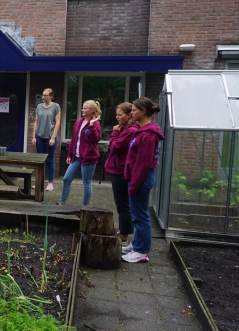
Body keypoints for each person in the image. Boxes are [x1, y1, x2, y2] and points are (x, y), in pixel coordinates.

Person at [122, 97, 164, 264]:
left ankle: (141, 251)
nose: (131, 113)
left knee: (140, 216)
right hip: (137, 178)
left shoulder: (147, 135)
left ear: (143, 111)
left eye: (134, 110)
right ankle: (137, 244)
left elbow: (142, 164)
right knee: (137, 214)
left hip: (141, 179)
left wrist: (133, 185)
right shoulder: (141, 131)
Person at [105, 102, 139, 245]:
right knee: (122, 204)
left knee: (122, 204)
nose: (117, 117)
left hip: (121, 170)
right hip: (119, 169)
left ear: (129, 115)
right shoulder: (126, 129)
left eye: (120, 114)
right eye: (116, 114)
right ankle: (123, 230)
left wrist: (114, 133)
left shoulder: (129, 131)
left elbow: (115, 146)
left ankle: (124, 235)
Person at [59, 100, 102, 206]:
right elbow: (73, 139)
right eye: (82, 108)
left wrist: (91, 126)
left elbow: (96, 139)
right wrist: (69, 154)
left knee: (86, 183)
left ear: (92, 110)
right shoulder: (78, 122)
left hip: (89, 158)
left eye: (85, 108)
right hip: (76, 157)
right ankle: (62, 203)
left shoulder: (95, 123)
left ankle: (85, 207)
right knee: (66, 179)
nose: (82, 110)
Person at [32, 88, 61, 191]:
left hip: (50, 137)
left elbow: (57, 122)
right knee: (40, 160)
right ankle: (39, 182)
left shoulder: (55, 106)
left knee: (49, 160)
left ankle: (50, 183)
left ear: (51, 96)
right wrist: (34, 136)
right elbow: (36, 121)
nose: (43, 97)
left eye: (45, 95)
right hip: (40, 136)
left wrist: (53, 137)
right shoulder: (39, 107)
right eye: (42, 95)